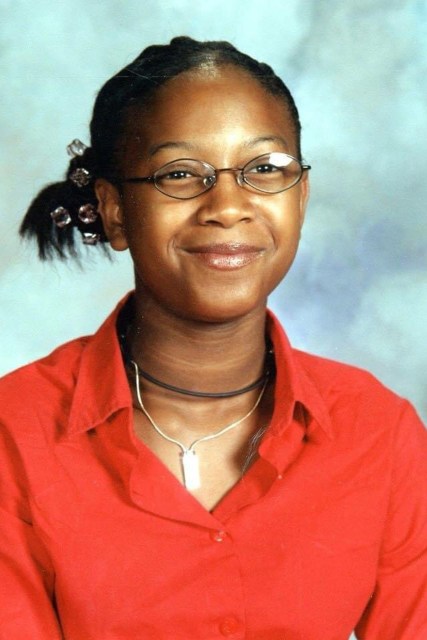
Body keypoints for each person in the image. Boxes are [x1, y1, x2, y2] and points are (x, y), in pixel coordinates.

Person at [0, 36, 426, 640]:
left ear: (300, 196)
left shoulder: (380, 434)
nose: (228, 206)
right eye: (179, 174)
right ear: (114, 209)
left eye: (263, 170)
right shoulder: (14, 434)